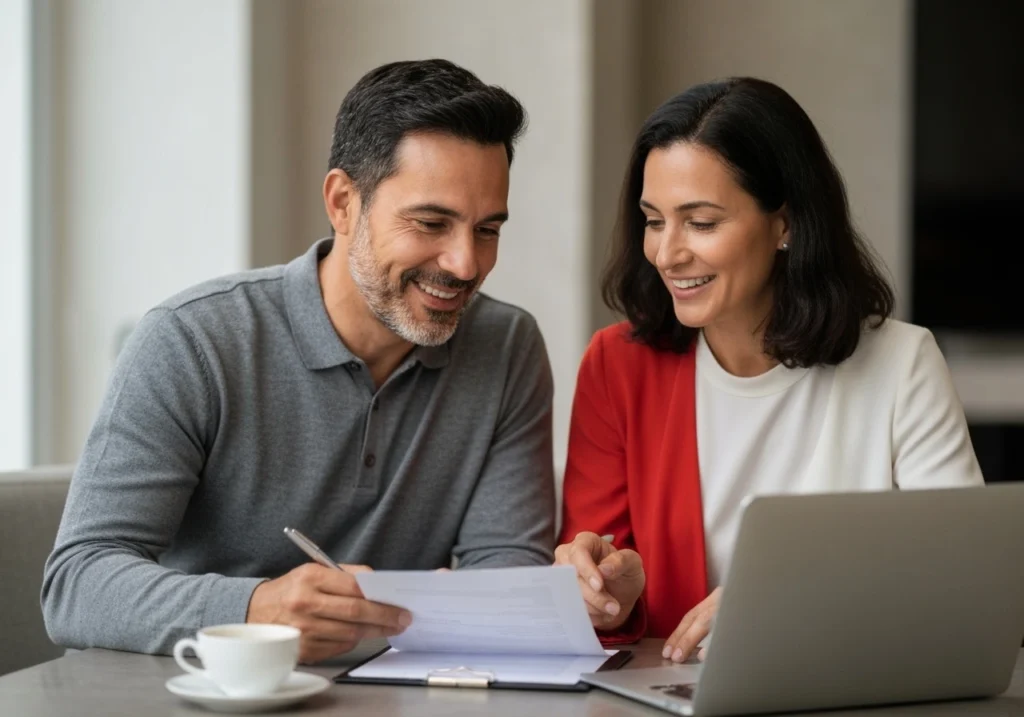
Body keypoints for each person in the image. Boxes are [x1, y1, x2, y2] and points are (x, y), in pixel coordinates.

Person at [42, 59, 557, 663]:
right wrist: (257, 610)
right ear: (342, 202)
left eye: (487, 229)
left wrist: (491, 600)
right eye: (431, 222)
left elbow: (506, 576)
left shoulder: (506, 346)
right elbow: (75, 585)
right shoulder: (190, 341)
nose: (465, 264)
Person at [554, 77, 983, 663]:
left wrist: (788, 604)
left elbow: (968, 588)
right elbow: (597, 604)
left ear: (786, 224)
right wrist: (611, 598)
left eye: (700, 222)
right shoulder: (616, 366)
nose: (667, 253)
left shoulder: (902, 365)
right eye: (654, 220)